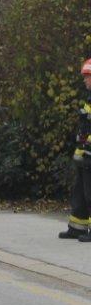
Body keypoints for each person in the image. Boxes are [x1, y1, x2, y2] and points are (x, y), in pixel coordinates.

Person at [60, 58, 91, 241]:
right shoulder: (89, 98)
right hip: (85, 155)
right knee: (79, 192)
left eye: (87, 77)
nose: (85, 80)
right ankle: (77, 228)